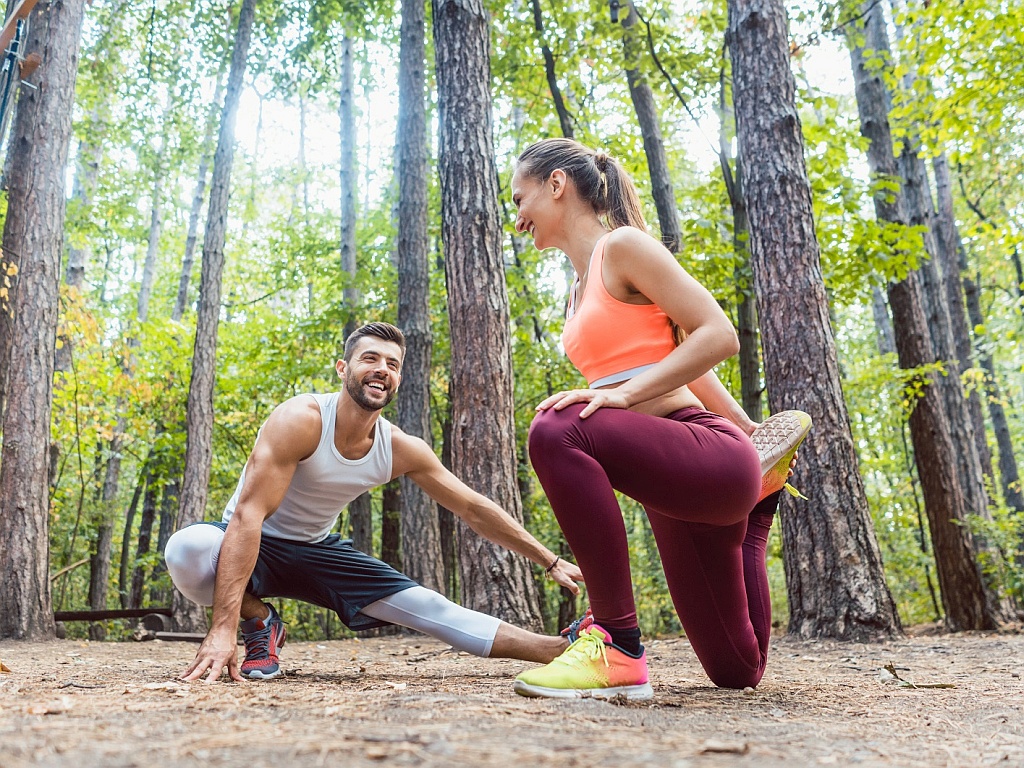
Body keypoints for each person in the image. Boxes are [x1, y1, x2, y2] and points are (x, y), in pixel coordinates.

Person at [508, 138, 811, 700]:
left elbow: (718, 335)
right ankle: (757, 511)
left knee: (556, 427)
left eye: (520, 196)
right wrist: (756, 436)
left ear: (556, 185)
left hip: (704, 452)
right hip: (674, 483)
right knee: (736, 670)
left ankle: (618, 646)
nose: (517, 215)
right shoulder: (575, 294)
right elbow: (675, 359)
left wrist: (626, 397)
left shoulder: (622, 247)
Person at [164, 321, 583, 683]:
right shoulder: (302, 420)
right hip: (249, 539)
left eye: (393, 364)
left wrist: (549, 560)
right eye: (370, 358)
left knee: (426, 605)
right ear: (343, 368)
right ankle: (261, 621)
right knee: (188, 548)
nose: (382, 369)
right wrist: (222, 629)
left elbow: (472, 508)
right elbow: (247, 515)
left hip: (317, 550)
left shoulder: (400, 448)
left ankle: (556, 649)